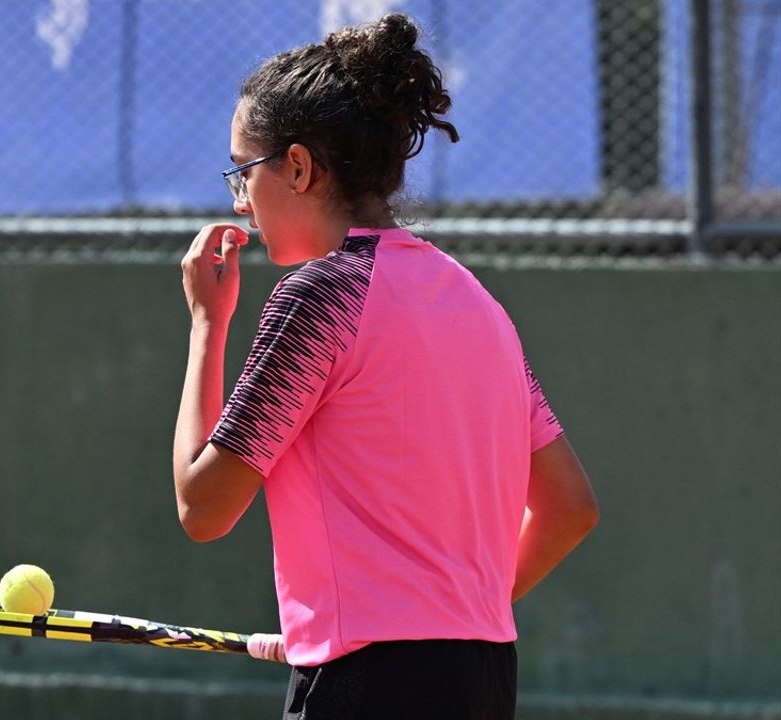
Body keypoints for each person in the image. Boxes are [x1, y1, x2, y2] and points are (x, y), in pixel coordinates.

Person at [171, 13, 599, 719]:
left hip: (366, 690)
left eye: (243, 174)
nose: (239, 201)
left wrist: (207, 324)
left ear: (300, 167)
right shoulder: (479, 303)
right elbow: (569, 509)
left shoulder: (320, 297)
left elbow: (203, 506)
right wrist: (431, 618)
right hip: (484, 677)